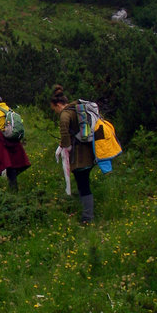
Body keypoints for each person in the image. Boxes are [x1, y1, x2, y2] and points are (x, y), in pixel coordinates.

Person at [49, 84, 95, 224]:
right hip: (89, 151)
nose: (55, 111)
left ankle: (87, 217)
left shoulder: (65, 114)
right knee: (83, 182)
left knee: (83, 184)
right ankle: (86, 212)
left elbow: (64, 132)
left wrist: (65, 146)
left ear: (58, 105)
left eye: (54, 108)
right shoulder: (76, 108)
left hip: (79, 155)